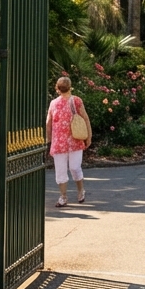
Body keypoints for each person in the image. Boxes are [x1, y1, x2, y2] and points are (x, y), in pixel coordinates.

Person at [46, 76, 91, 207]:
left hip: (70, 140)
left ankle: (66, 195)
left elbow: (48, 122)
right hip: (68, 141)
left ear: (57, 88)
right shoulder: (56, 103)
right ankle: (73, 193)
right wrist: (89, 136)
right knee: (72, 168)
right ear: (70, 87)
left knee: (67, 169)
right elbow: (86, 119)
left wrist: (48, 139)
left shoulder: (74, 101)